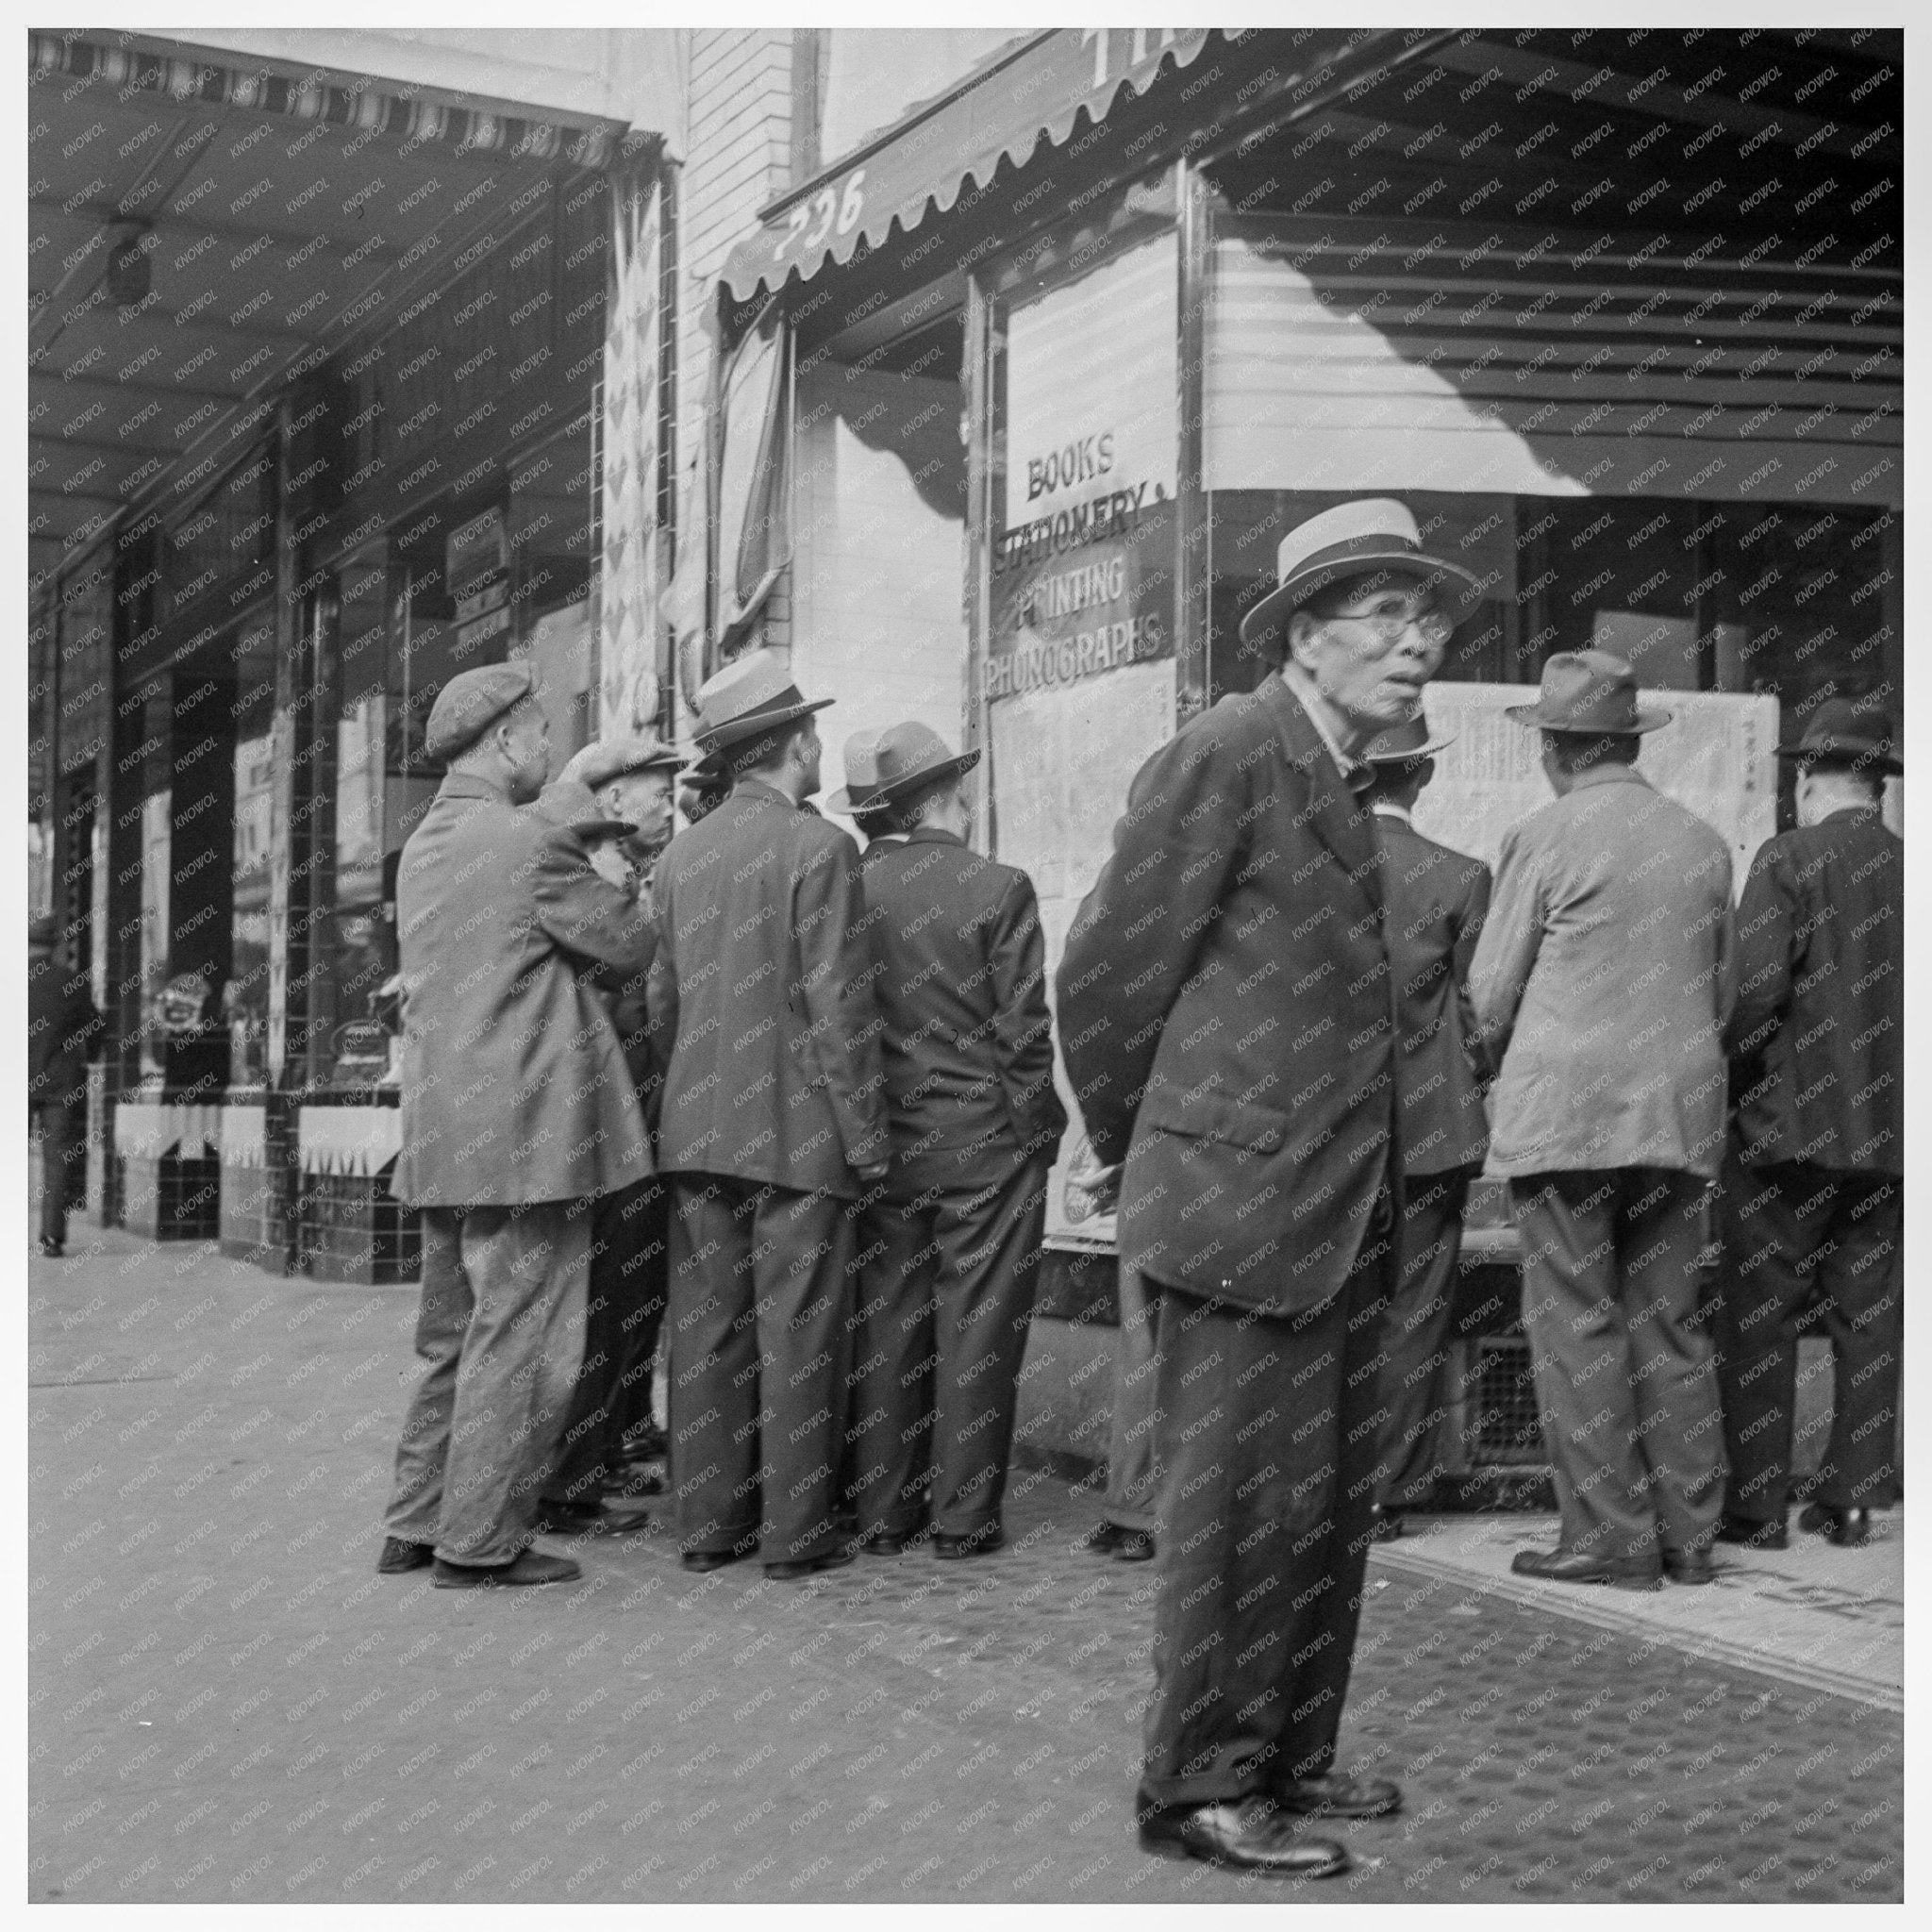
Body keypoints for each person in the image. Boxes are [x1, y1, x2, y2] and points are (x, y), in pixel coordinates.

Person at [1059, 498, 1486, 1878]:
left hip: (1334, 1207)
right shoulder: (1232, 752)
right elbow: (1112, 976)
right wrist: (1150, 1150)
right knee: (1239, 1507)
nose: (1416, 644)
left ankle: (1292, 1751)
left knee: (1321, 1501)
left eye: (1427, 620)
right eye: (1385, 617)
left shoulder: (1332, 776)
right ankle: (1198, 1786)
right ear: (1305, 633)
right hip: (1244, 1210)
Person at [376, 665, 658, 1590]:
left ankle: (415, 1520)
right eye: (540, 735)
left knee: (448, 1334)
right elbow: (624, 943)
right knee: (523, 1335)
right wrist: (629, 873)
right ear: (503, 741)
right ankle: (482, 1538)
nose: (544, 751)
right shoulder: (533, 841)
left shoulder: (423, 843)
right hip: (526, 1137)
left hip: (442, 1134)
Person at [1469, 650, 1734, 1592]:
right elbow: (1723, 988)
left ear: (1552, 746)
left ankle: (1607, 1535)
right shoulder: (1702, 840)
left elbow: (1488, 994)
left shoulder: (1542, 835)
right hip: (1679, 1107)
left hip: (1566, 1116)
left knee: (1575, 1322)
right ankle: (1687, 1533)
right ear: (1626, 740)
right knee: (1669, 1318)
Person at [647, 651, 891, 1581]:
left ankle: (708, 1523)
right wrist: (867, 1143)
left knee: (706, 1329)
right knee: (799, 1327)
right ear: (794, 743)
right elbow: (840, 1007)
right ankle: (793, 1532)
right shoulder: (820, 849)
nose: (820, 743)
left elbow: (661, 1005)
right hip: (798, 1134)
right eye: (813, 731)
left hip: (699, 1128)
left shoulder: (680, 854)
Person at [844, 722, 1066, 1559]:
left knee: (887, 1321)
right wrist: (1040, 1128)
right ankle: (963, 1518)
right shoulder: (997, 885)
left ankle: (882, 1514)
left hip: (881, 1145)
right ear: (944, 796)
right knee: (980, 1324)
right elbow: (1023, 1032)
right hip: (985, 1143)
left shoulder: (849, 890)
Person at [1713, 698, 1903, 1551]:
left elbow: (1755, 993)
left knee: (1762, 1313)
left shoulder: (1788, 859)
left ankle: (1756, 1510)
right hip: (1893, 1138)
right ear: (1876, 785)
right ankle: (1853, 1498)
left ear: (1805, 779)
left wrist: (1730, 1071)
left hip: (1786, 1131)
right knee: (1871, 1314)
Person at [1357, 706, 1492, 1540]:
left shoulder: (1311, 877)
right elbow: (1483, 1010)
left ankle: (1321, 1482)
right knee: (1414, 1306)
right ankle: (1388, 1490)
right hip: (1434, 1130)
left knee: (1331, 1309)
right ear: (1425, 773)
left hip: (1332, 1132)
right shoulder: (1459, 875)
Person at [28, 915, 104, 1258]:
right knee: (57, 1159)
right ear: (56, 946)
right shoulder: (70, 982)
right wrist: (92, 1055)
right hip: (60, 1083)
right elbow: (94, 1025)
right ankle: (52, 1238)